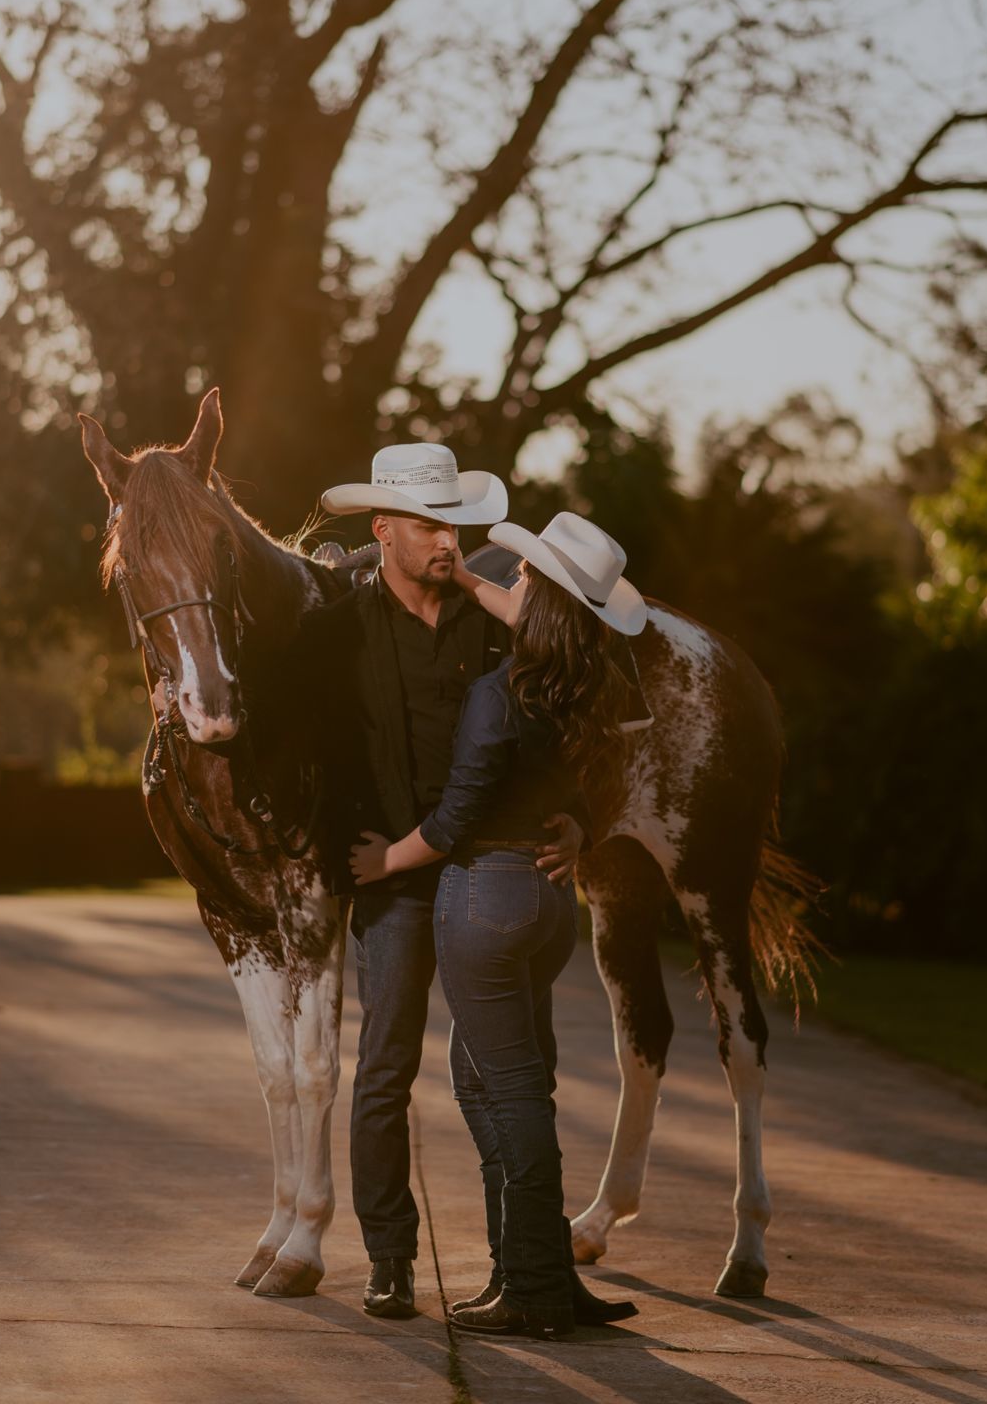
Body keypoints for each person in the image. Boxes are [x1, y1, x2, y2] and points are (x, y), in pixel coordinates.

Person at [299, 445, 588, 1320]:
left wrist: (577, 818)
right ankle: (389, 1258)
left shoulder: (493, 621)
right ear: (382, 529)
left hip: (484, 874)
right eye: (428, 525)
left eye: (453, 524)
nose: (447, 540)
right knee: (386, 1069)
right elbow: (298, 742)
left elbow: (562, 714)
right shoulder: (337, 629)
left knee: (514, 1073)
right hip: (390, 876)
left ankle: (518, 1267)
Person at [351, 511, 648, 1339]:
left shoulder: (497, 694)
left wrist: (384, 862)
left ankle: (535, 1289)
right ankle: (535, 1267)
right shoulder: (579, 686)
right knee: (487, 1079)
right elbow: (597, 768)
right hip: (548, 902)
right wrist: (582, 824)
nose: (507, 582)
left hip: (488, 896)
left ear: (541, 604)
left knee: (512, 1093)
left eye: (522, 578)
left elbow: (453, 820)